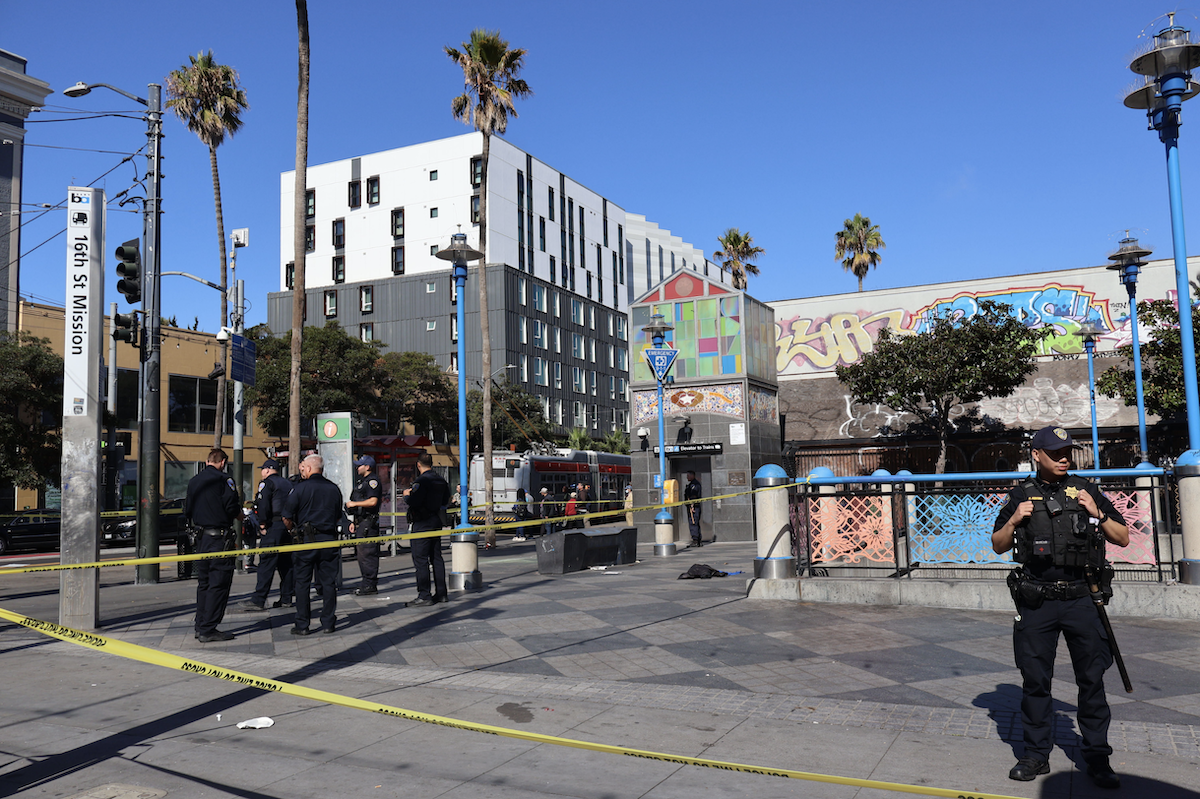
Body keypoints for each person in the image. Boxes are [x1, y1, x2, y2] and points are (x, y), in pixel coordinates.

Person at [991, 425, 1129, 789]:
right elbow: (998, 545)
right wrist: (1016, 518)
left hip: (1082, 597)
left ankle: (1097, 757)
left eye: (1067, 451)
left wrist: (1097, 512)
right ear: (1036, 454)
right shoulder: (1020, 495)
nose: (1064, 457)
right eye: (1055, 452)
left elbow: (1123, 536)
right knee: (1035, 681)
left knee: (1092, 679)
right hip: (1038, 600)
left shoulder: (1086, 489)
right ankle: (1035, 755)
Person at [282, 454, 344, 635]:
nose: (301, 471)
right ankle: (328, 623)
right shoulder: (334, 489)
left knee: (302, 583)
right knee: (328, 583)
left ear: (309, 468)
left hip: (306, 541)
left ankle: (302, 625)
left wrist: (292, 529)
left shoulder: (300, 489)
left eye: (302, 468)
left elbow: (286, 516)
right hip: (328, 540)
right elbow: (338, 516)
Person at [185, 448, 240, 643]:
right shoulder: (225, 480)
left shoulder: (194, 481)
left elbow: (187, 510)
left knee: (204, 583)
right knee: (219, 582)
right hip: (219, 539)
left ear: (207, 461)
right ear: (223, 461)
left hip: (202, 538)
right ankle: (209, 628)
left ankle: (201, 625)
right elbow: (232, 507)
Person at [240, 459, 294, 612]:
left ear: (268, 470)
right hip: (286, 526)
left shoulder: (267, 483)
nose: (262, 472)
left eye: (263, 469)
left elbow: (263, 505)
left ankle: (258, 600)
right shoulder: (287, 483)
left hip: (273, 526)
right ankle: (286, 598)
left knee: (266, 564)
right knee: (286, 564)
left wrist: (262, 524)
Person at [403, 452, 450, 606]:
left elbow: (414, 501)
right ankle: (441, 593)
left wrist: (406, 496)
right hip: (435, 520)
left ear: (418, 464)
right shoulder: (441, 480)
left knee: (421, 559)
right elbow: (445, 501)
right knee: (436, 558)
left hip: (422, 523)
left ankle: (424, 595)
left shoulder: (421, 481)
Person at [346, 454, 383, 596]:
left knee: (368, 554)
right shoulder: (363, 481)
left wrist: (354, 504)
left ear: (367, 467)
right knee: (362, 555)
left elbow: (373, 501)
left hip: (369, 523)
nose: (357, 467)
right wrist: (354, 522)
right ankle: (366, 583)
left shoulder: (373, 481)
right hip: (362, 522)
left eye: (360, 465)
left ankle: (370, 585)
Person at [684, 471, 703, 547]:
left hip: (694, 507)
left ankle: (696, 540)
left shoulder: (694, 485)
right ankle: (697, 540)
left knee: (693, 522)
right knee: (694, 522)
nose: (687, 477)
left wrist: (692, 506)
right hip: (693, 506)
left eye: (688, 475)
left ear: (692, 475)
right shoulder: (691, 484)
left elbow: (694, 496)